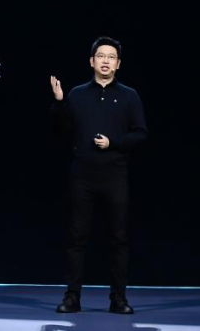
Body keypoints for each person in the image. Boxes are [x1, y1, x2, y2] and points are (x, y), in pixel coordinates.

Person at [49, 35, 147, 314]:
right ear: (91, 61)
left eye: (111, 57)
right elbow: (60, 131)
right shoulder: (77, 94)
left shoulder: (129, 95)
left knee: (118, 239)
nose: (106, 61)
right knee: (77, 238)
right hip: (82, 176)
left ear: (118, 64)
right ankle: (72, 297)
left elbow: (140, 133)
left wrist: (112, 143)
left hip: (115, 176)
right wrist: (59, 102)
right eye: (101, 56)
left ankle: (118, 299)